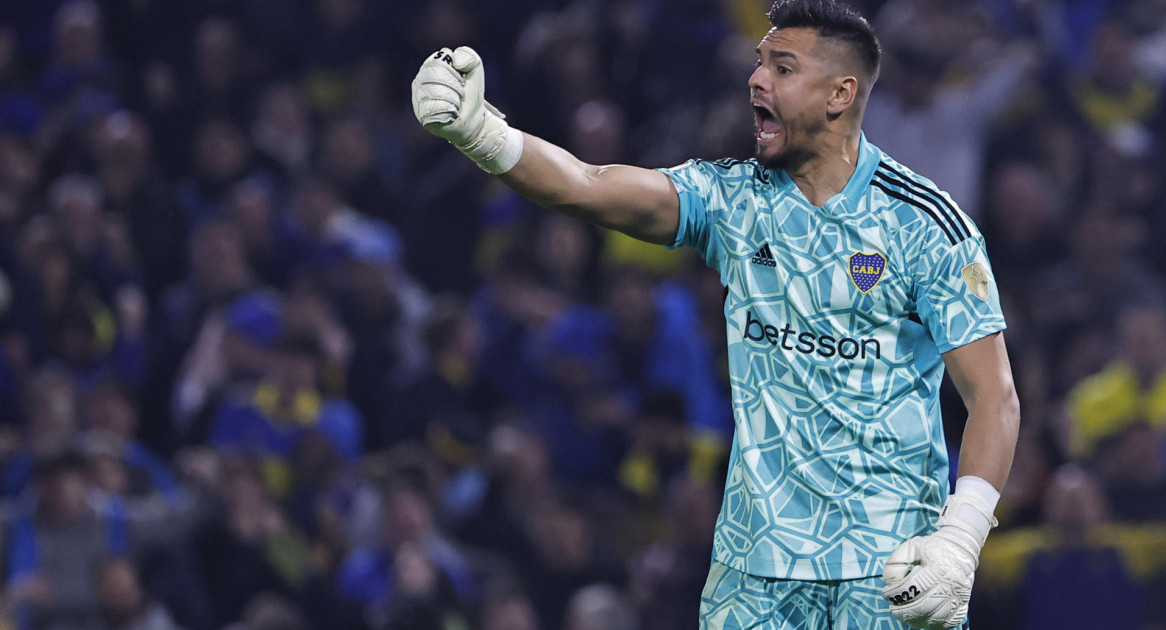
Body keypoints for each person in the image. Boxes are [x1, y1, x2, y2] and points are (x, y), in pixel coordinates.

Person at [410, 0, 1021, 628]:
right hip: (754, 572)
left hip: (887, 568)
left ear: (841, 93)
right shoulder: (732, 199)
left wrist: (960, 540)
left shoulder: (926, 226)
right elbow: (587, 183)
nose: (756, 81)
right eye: (760, 64)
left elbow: (994, 396)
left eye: (782, 68)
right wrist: (483, 132)